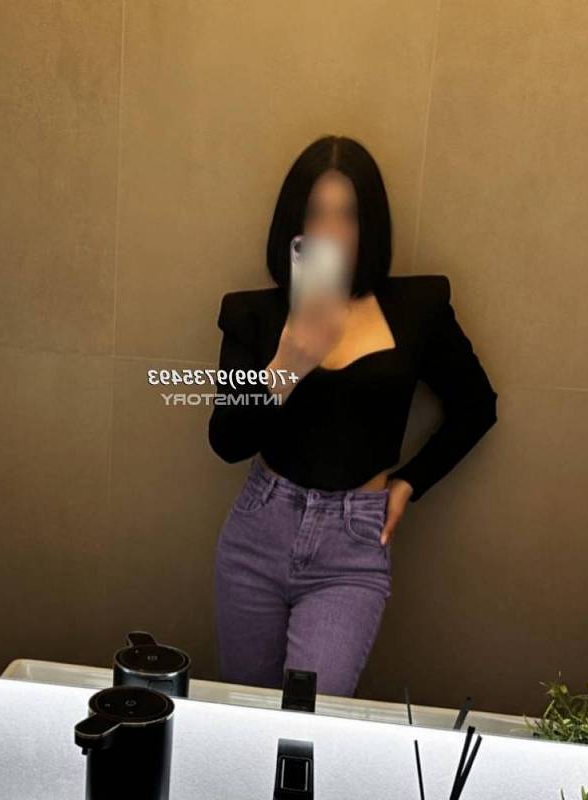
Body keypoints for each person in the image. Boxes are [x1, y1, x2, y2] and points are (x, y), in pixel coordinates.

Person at [208, 134, 498, 697]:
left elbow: (476, 406)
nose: (332, 231)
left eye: (349, 215)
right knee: (247, 716)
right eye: (316, 214)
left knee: (308, 723)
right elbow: (226, 440)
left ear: (371, 226)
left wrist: (409, 483)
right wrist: (286, 366)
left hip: (351, 547)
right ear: (293, 225)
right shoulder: (254, 314)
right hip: (258, 532)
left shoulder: (415, 309)